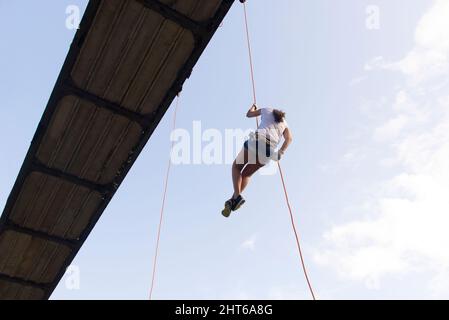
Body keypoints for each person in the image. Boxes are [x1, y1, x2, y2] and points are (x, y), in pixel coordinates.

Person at [222, 104, 293, 217]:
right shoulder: (284, 123)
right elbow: (289, 138)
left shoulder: (266, 110)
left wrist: (252, 108)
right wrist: (280, 153)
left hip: (257, 140)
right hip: (269, 151)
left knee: (236, 166)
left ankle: (236, 195)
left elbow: (249, 115)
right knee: (246, 174)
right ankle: (234, 199)